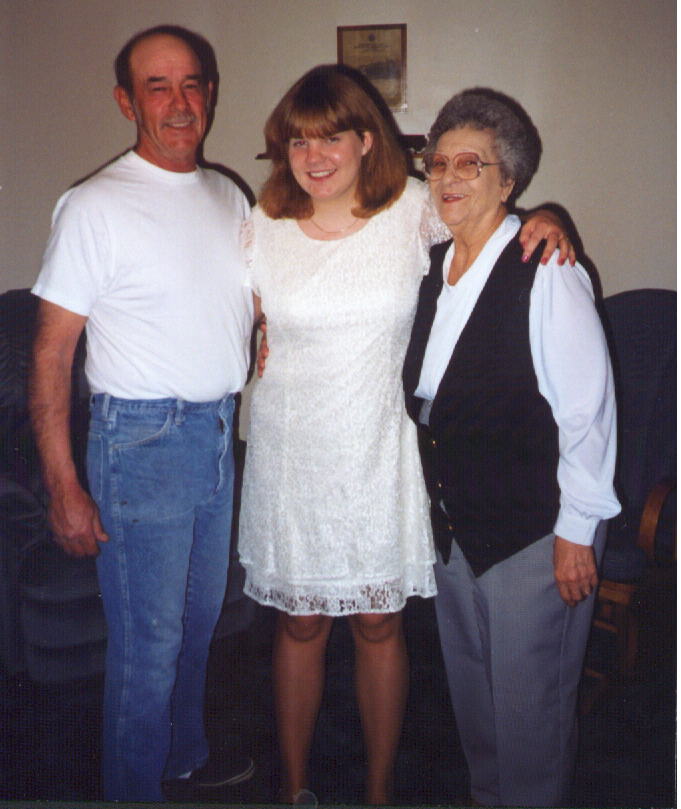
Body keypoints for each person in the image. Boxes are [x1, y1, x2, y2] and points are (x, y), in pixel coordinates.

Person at [237, 65, 574, 806]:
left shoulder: (411, 209)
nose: (313, 154)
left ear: (366, 140)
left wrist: (546, 217)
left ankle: (380, 792)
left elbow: (485, 224)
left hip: (379, 451)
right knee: (298, 627)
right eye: (298, 139)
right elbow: (222, 317)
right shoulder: (260, 224)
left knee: (379, 623)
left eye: (331, 137)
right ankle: (295, 789)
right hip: (292, 454)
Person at [30, 25, 255, 802]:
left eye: (192, 83)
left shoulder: (231, 194)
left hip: (218, 433)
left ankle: (179, 755)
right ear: (127, 101)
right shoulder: (94, 205)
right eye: (157, 87)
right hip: (141, 443)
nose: (179, 102)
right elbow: (53, 353)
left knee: (197, 628)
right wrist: (63, 483)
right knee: (147, 645)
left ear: (211, 93)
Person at [403, 88, 621, 807]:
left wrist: (576, 533)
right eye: (438, 162)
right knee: (479, 723)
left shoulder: (544, 267)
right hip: (457, 535)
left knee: (530, 728)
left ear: (510, 178)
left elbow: (587, 410)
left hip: (532, 541)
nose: (448, 177)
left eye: (472, 162)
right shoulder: (434, 270)